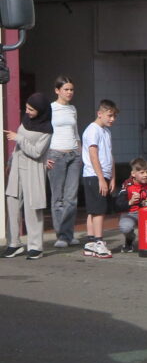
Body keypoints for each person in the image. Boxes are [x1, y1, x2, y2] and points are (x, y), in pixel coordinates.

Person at [3, 93, 53, 259]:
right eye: (27, 108)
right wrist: (11, 161)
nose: (28, 111)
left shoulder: (46, 129)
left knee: (33, 207)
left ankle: (35, 246)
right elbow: (19, 145)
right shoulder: (26, 120)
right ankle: (13, 243)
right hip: (17, 165)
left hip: (33, 168)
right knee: (12, 202)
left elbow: (37, 152)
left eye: (31, 109)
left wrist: (19, 138)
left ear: (41, 110)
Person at [46, 77, 82, 248]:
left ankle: (68, 234)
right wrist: (46, 156)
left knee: (71, 197)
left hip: (73, 154)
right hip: (56, 154)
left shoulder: (73, 109)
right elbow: (43, 133)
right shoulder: (50, 109)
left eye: (71, 89)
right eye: (66, 89)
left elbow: (75, 132)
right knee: (58, 197)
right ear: (57, 90)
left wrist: (80, 152)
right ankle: (61, 235)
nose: (69, 92)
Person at [81, 99, 118, 259]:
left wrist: (113, 177)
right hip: (94, 175)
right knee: (99, 211)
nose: (112, 119)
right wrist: (101, 178)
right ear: (100, 113)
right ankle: (98, 242)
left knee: (93, 210)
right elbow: (93, 155)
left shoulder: (106, 132)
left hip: (104, 175)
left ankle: (90, 242)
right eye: (110, 115)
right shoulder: (92, 130)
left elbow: (110, 155)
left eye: (114, 116)